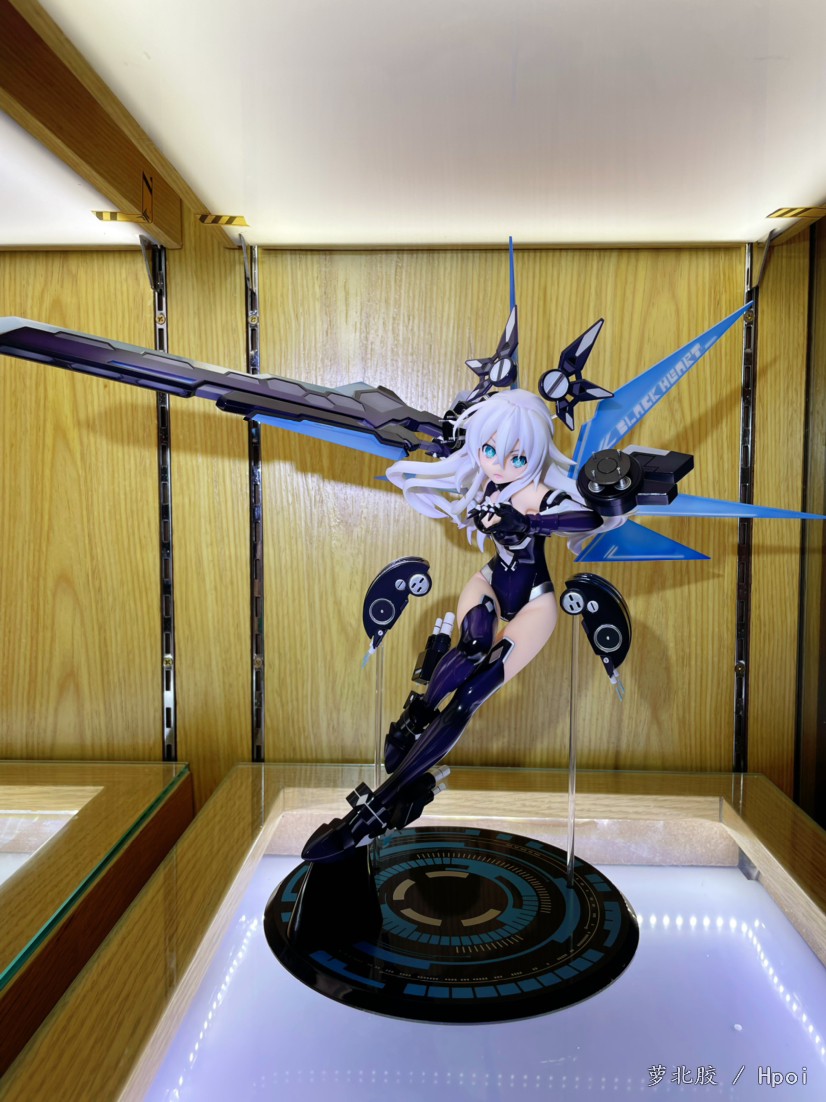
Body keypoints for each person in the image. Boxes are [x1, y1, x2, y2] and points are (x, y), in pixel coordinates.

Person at [302, 388, 606, 863]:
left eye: (516, 456)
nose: (499, 465)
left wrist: (532, 525)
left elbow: (587, 515)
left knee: (469, 697)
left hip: (534, 602)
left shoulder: (534, 493)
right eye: (490, 450)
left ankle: (382, 803)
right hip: (490, 580)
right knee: (472, 644)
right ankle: (416, 714)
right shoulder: (484, 482)